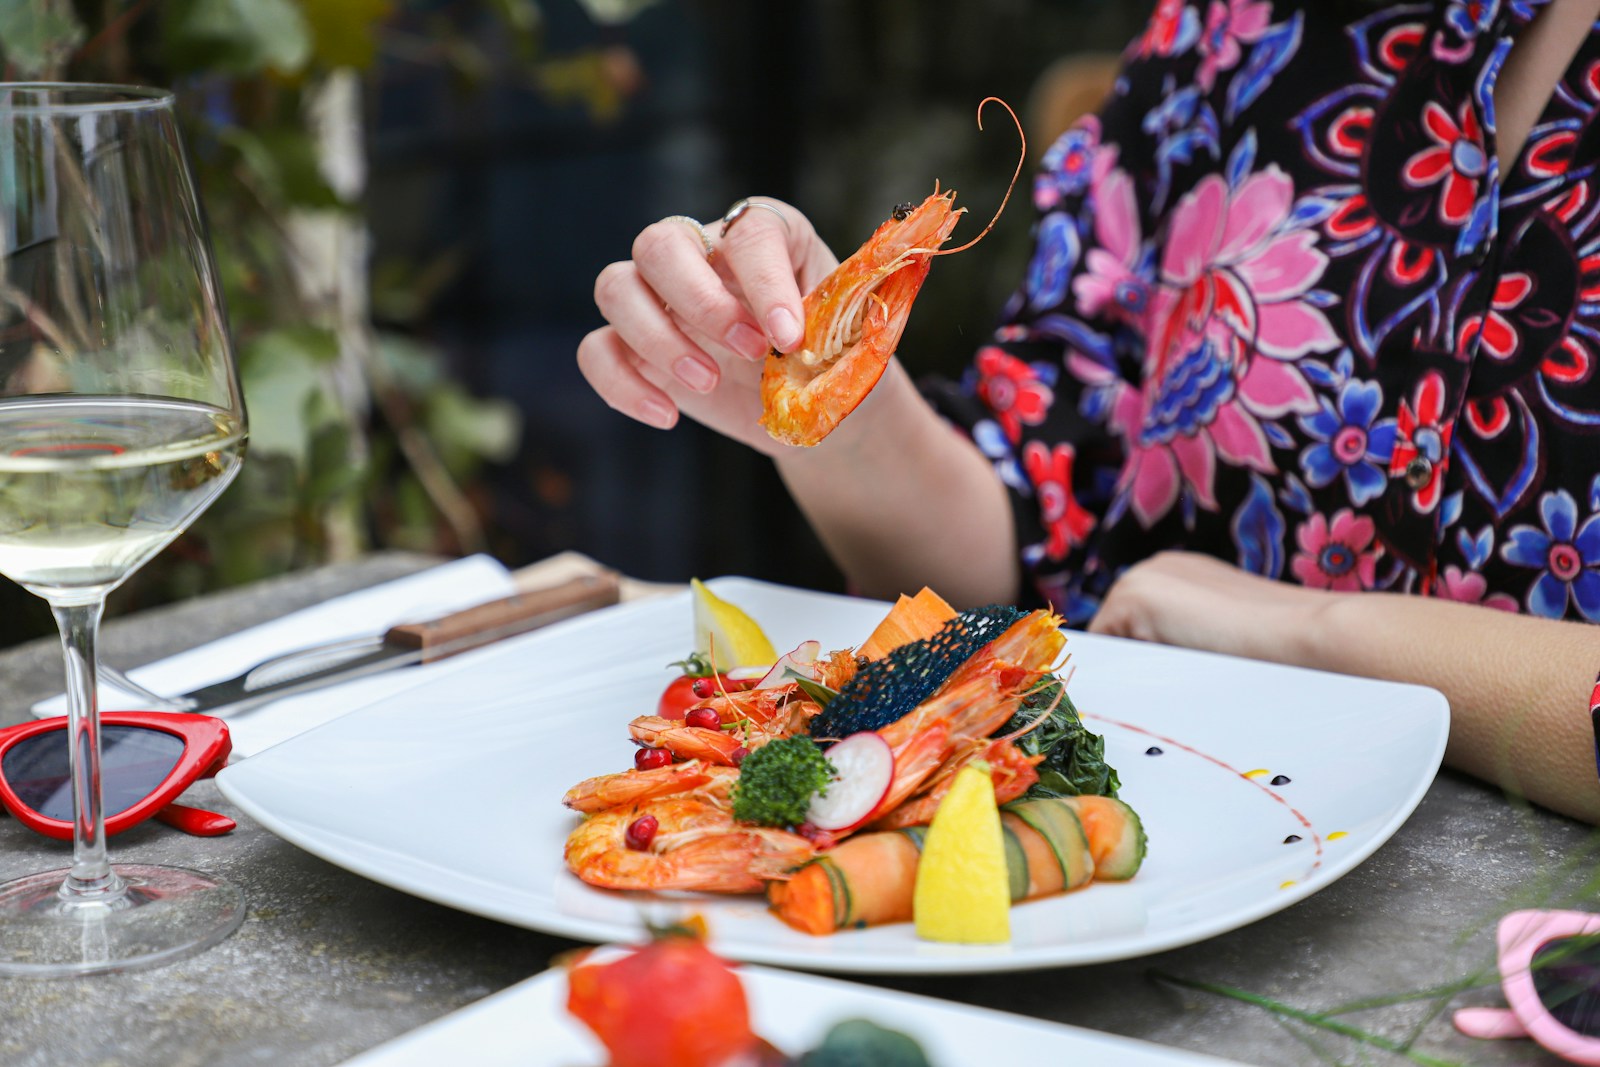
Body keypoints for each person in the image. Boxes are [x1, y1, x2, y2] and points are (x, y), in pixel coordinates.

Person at [577, 0, 1600, 823]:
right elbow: (1030, 525)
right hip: (1178, 850)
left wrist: (1304, 630)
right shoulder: (1234, 27)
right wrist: (822, 393)